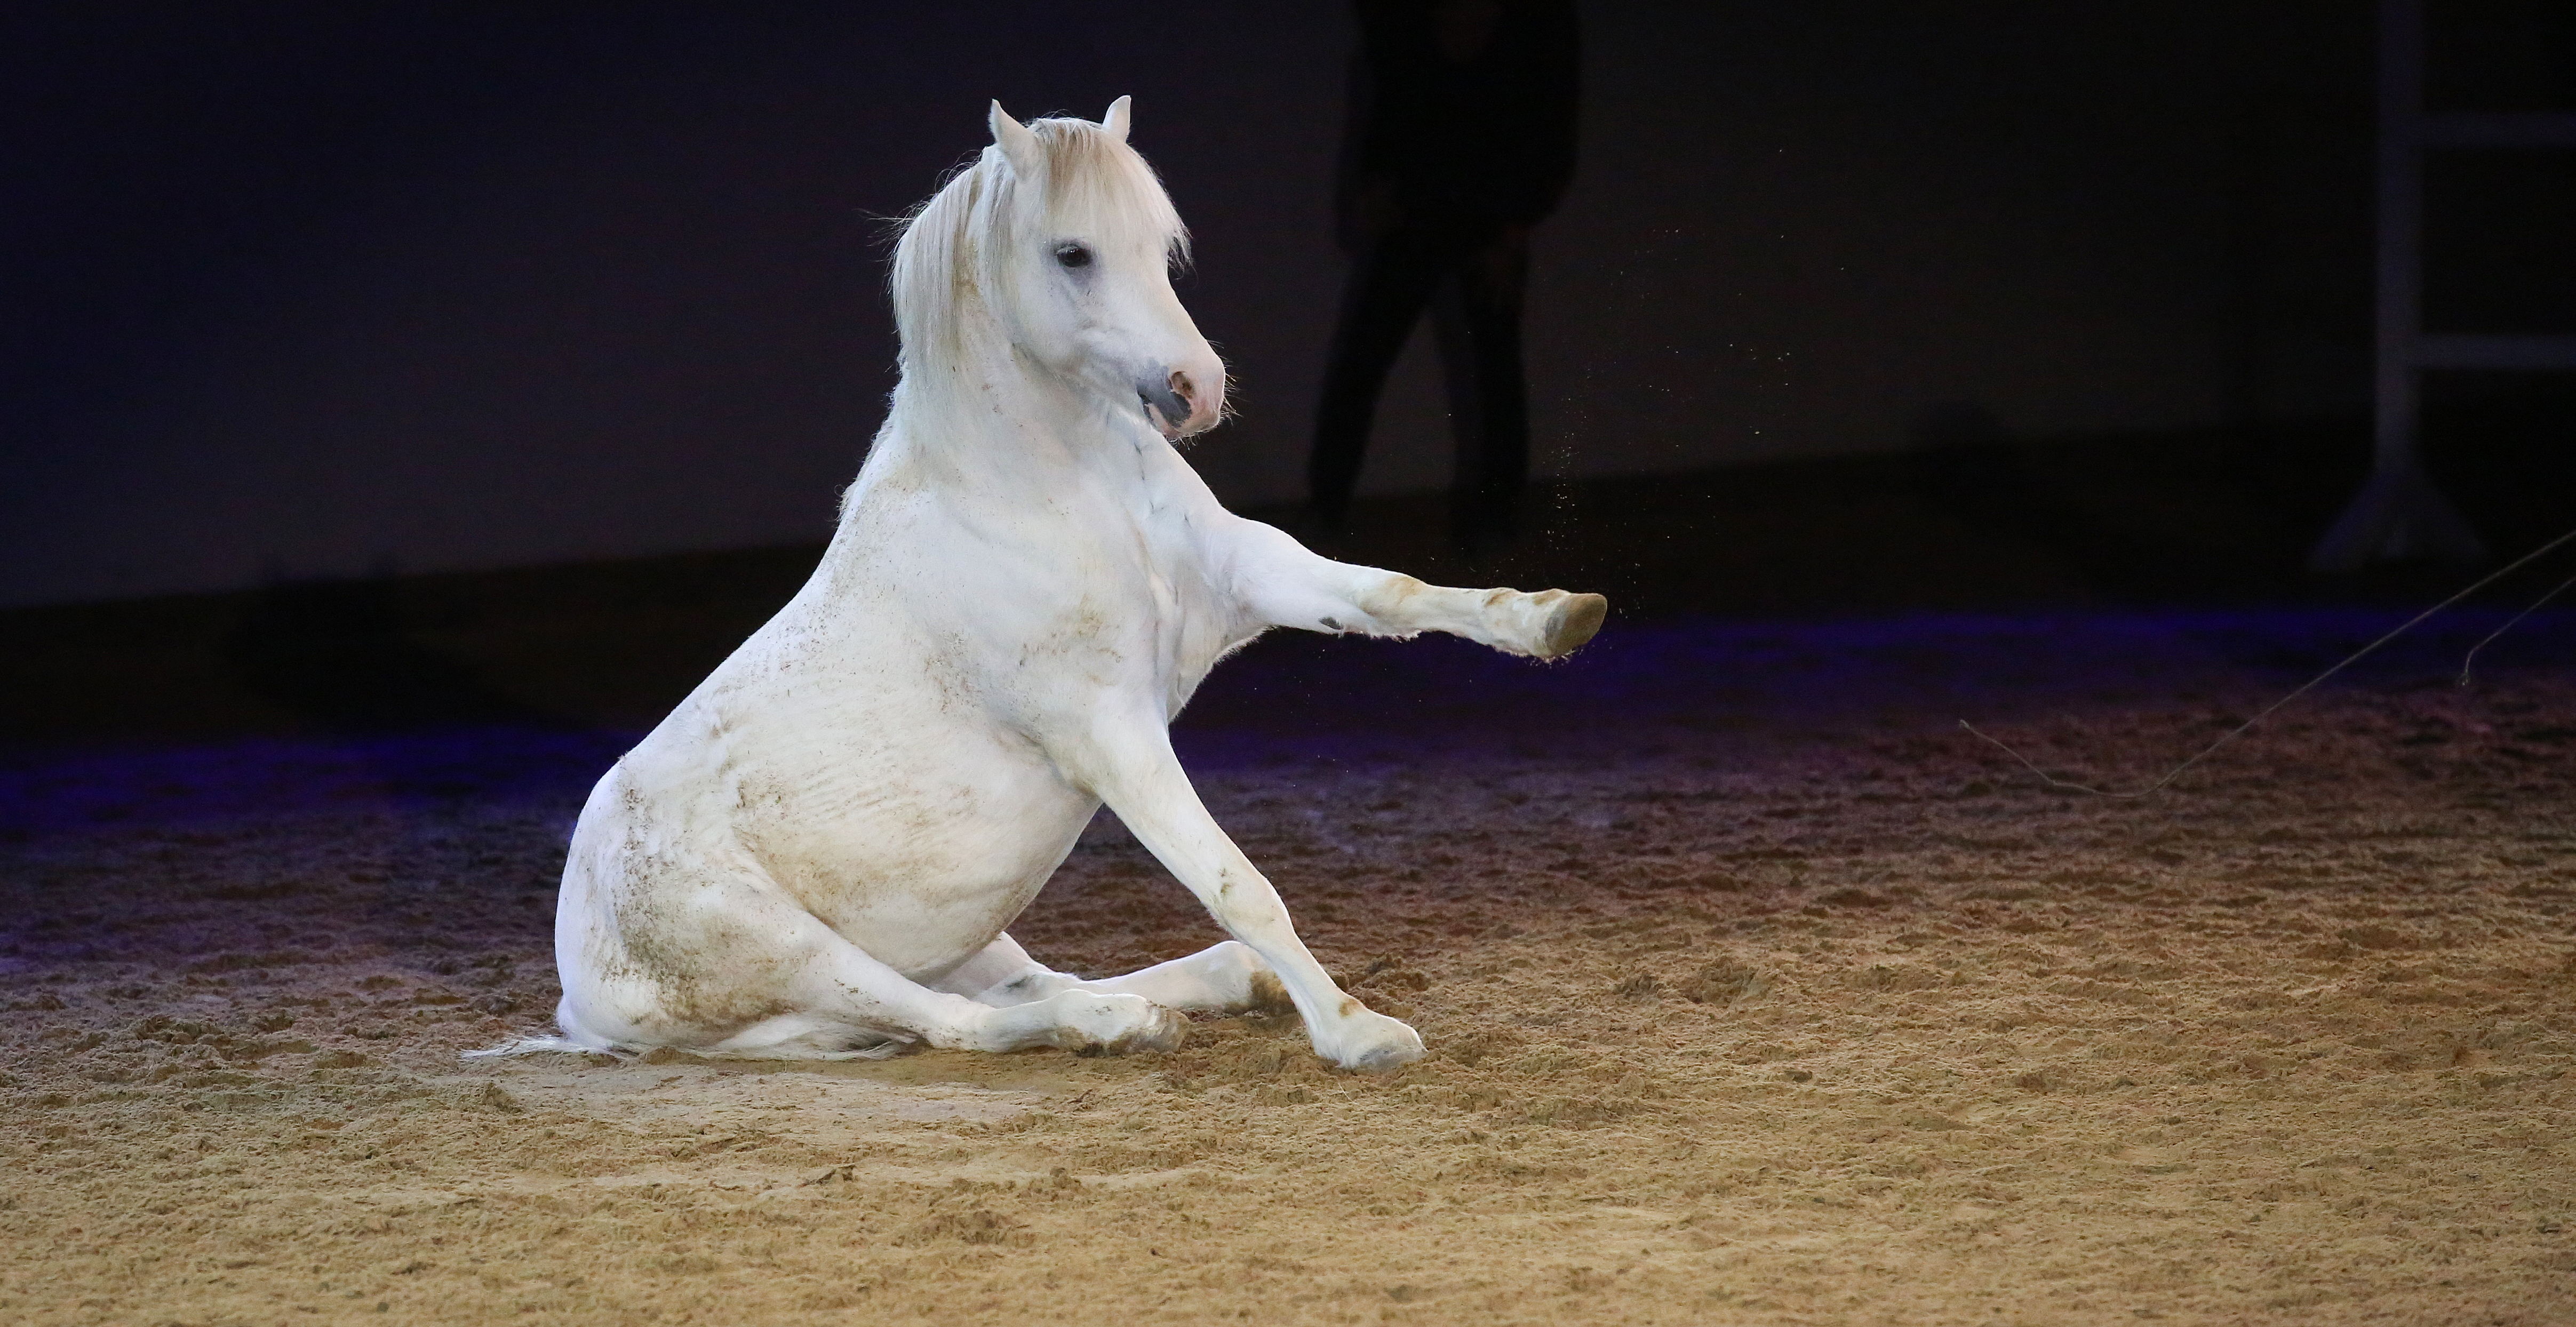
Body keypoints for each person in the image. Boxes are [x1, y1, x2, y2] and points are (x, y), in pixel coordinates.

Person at [1307, 0, 1580, 553]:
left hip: (1489, 219)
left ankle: (1495, 522)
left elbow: (1550, 134)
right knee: (1363, 365)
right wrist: (1374, 189)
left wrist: (1513, 227)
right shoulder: (1404, 30)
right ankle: (1326, 513)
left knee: (1493, 372)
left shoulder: (1536, 31)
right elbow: (1389, 111)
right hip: (1416, 212)